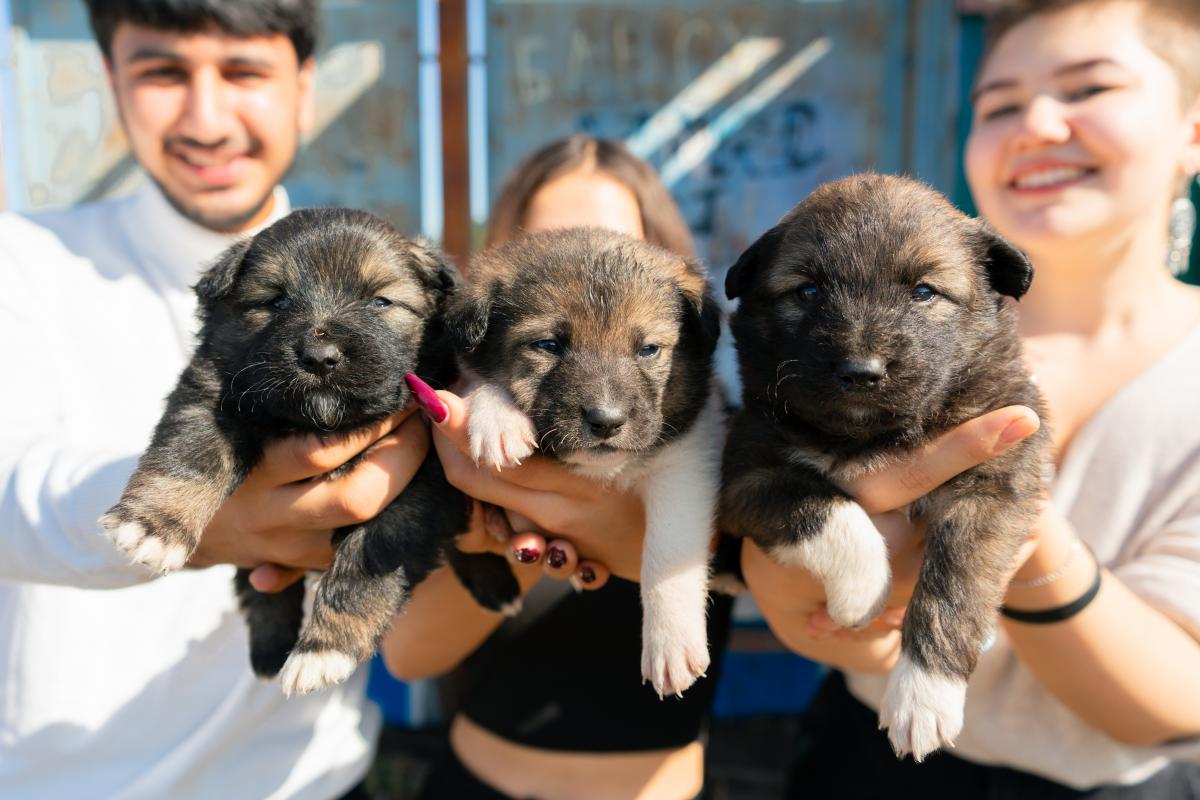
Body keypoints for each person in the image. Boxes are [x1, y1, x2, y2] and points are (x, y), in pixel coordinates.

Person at [740, 0, 1200, 796]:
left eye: (1089, 89)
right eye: (1001, 105)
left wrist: (1023, 546)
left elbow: (1179, 702)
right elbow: (832, 630)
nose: (1039, 125)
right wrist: (814, 586)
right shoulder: (814, 356)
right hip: (870, 753)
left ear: (1194, 127)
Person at [0, 1, 434, 797]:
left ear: (304, 86)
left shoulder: (397, 276)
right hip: (63, 779)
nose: (206, 117)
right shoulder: (20, 261)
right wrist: (193, 510)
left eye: (244, 72)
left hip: (307, 776)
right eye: (163, 71)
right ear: (111, 80)